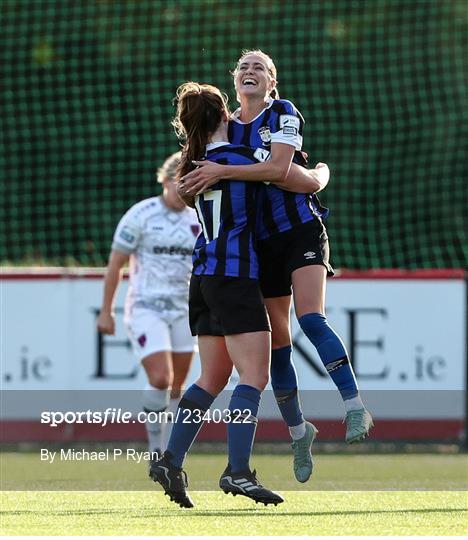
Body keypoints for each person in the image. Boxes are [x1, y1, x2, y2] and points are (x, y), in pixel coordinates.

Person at [179, 50, 373, 483]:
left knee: (311, 317)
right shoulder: (228, 128)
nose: (250, 71)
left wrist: (317, 175)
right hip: (259, 246)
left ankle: (355, 407)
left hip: (301, 229)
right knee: (277, 343)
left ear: (272, 82)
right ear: (234, 82)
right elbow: (211, 162)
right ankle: (298, 431)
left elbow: (285, 170)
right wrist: (213, 171)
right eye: (243, 67)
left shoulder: (283, 112)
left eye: (259, 68)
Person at [149, 81, 315, 508]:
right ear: (225, 116)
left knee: (211, 378)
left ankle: (170, 459)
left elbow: (188, 197)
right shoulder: (244, 158)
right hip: (236, 274)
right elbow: (294, 177)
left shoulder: (195, 168)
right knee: (255, 377)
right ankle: (237, 471)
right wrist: (324, 172)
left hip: (203, 276)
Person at [96, 152, 199, 459]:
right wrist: (106, 310)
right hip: (146, 308)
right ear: (166, 180)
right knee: (160, 379)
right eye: (180, 183)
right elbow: (115, 264)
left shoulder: (198, 218)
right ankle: (156, 450)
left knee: (178, 386)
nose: (185, 190)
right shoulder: (140, 215)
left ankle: (169, 451)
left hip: (185, 310)